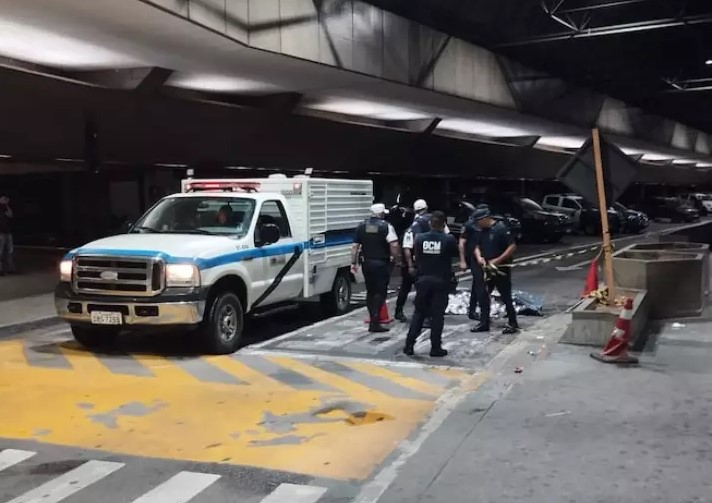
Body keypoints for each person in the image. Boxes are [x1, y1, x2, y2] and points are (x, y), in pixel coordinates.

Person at [403, 211, 457, 357]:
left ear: (429, 223)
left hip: (423, 281)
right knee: (437, 316)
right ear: (444, 224)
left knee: (419, 314)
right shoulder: (449, 239)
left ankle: (409, 345)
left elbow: (418, 258)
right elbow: (454, 255)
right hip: (440, 282)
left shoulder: (420, 239)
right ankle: (435, 348)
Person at [396, 199, 450, 323]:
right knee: (427, 289)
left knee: (407, 287)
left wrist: (409, 265)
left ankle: (400, 311)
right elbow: (447, 238)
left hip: (417, 262)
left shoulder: (414, 225)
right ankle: (427, 314)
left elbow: (407, 246)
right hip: (430, 263)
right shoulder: (438, 221)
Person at [351, 203, 400, 333]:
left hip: (366, 263)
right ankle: (375, 320)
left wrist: (353, 262)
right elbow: (394, 244)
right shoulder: (386, 226)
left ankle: (373, 319)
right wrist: (395, 258)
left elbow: (355, 246)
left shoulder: (361, 226)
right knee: (380, 292)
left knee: (370, 291)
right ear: (381, 214)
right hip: (381, 263)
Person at [471, 206, 519, 335]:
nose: (476, 224)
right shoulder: (481, 231)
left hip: (501, 268)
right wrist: (479, 257)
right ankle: (484, 322)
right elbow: (476, 246)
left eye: (478, 221)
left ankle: (513, 322)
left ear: (484, 219)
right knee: (483, 295)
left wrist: (497, 260)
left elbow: (512, 246)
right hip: (486, 268)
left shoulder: (501, 228)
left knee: (505, 296)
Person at [458, 203, 490, 320]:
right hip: (473, 257)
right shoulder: (469, 225)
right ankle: (475, 311)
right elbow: (461, 243)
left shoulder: (486, 225)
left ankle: (478, 310)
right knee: (478, 284)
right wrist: (462, 260)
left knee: (479, 285)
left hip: (485, 257)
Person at [0, 195, 14, 276]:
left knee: (10, 251)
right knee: (0, 251)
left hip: (8, 232)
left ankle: (10, 268)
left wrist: (6, 205)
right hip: (0, 233)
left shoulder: (5, 208)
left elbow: (10, 215)